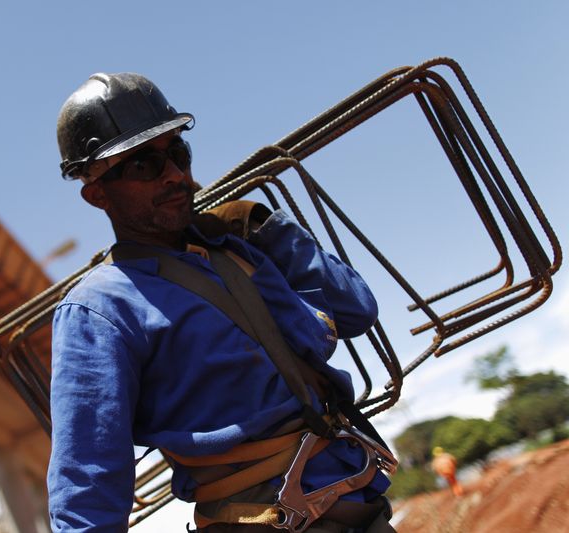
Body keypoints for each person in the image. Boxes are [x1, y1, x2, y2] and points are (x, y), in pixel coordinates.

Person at [48, 72, 395, 532]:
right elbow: (88, 485)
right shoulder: (100, 311)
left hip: (364, 508)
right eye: (143, 165)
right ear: (97, 194)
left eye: (177, 153)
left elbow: (355, 310)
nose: (173, 173)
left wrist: (268, 228)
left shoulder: (236, 251)